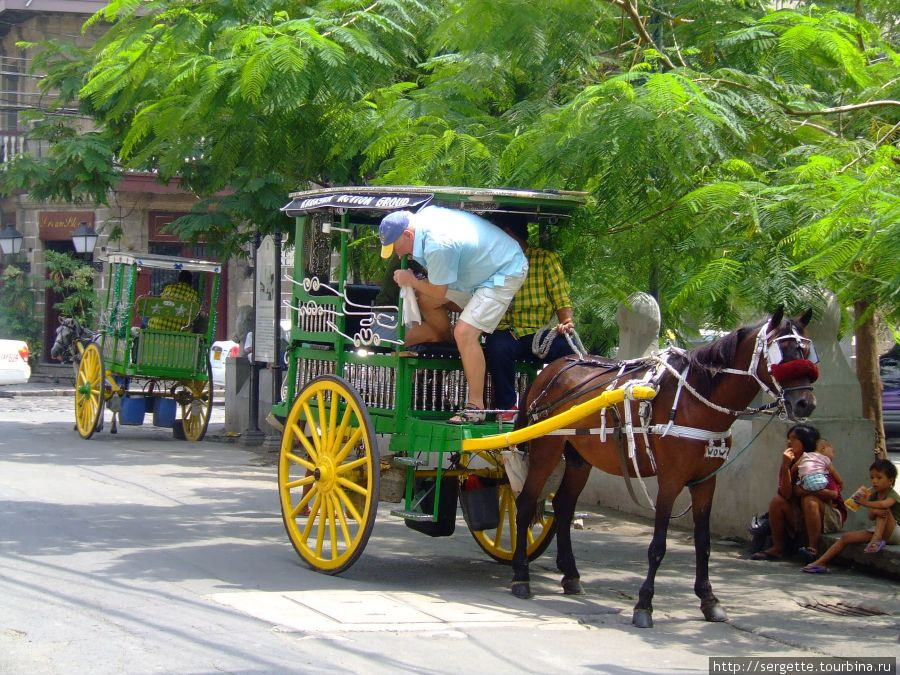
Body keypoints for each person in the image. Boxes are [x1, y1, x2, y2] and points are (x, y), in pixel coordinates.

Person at [378, 206, 528, 424]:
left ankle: (475, 407)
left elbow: (439, 290)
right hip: (477, 271)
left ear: (409, 235)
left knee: (465, 332)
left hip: (504, 271)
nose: (398, 254)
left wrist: (411, 281)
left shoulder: (437, 244)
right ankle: (450, 346)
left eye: (396, 248)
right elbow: (435, 293)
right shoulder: (423, 220)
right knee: (427, 300)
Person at [483, 213, 576, 422]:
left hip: (537, 332)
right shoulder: (492, 263)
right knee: (497, 347)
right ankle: (507, 408)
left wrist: (566, 323)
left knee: (569, 348)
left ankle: (566, 402)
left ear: (507, 234)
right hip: (508, 331)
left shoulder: (544, 259)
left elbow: (561, 298)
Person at [750, 423, 846, 563]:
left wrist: (802, 491)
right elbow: (786, 495)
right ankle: (777, 548)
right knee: (777, 502)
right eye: (788, 438)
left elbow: (833, 494)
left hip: (829, 516)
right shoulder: (790, 462)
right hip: (802, 514)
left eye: (794, 438)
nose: (789, 442)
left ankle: (812, 549)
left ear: (806, 442)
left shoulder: (816, 462)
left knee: (809, 499)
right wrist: (786, 467)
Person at [801, 459, 900, 573]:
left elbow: (884, 505)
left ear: (890, 480)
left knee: (884, 510)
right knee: (845, 538)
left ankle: (875, 541)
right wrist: (865, 503)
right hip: (879, 531)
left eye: (879, 478)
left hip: (895, 532)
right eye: (872, 478)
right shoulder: (873, 495)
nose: (874, 481)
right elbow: (871, 517)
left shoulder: (892, 494)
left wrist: (865, 503)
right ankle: (820, 562)